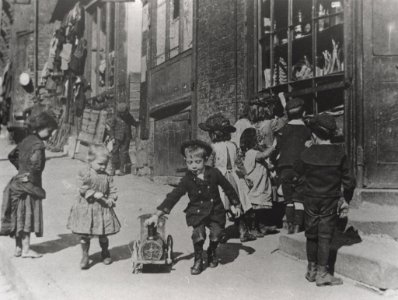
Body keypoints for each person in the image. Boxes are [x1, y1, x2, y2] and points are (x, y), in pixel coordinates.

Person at [145, 140, 241, 275]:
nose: (194, 166)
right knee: (199, 235)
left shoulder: (214, 173)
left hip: (215, 210)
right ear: (185, 161)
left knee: (216, 235)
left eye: (197, 162)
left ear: (205, 159)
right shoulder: (187, 180)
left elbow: (228, 188)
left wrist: (235, 204)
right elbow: (174, 196)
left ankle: (212, 252)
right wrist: (157, 214)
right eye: (190, 163)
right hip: (197, 212)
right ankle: (197, 259)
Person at [294, 114, 355, 286]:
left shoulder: (307, 152)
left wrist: (307, 149)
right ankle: (323, 273)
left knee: (311, 235)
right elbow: (350, 182)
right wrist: (346, 200)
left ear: (314, 134)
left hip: (310, 199)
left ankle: (311, 271)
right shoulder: (340, 153)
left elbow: (297, 170)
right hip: (329, 200)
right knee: (325, 236)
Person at [0, 111, 58, 258]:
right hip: (29, 186)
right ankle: (26, 250)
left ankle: (18, 248)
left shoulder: (26, 140)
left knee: (17, 214)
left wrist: (21, 170)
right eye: (49, 131)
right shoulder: (39, 145)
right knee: (27, 216)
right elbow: (36, 166)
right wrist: (29, 176)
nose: (50, 135)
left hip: (17, 182)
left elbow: (11, 155)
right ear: (40, 128)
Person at [199, 113, 255, 242]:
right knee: (237, 204)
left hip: (219, 179)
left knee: (220, 207)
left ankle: (221, 233)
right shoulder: (233, 146)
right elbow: (239, 163)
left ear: (214, 134)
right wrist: (245, 176)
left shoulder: (212, 148)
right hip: (234, 178)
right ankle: (243, 232)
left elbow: (209, 166)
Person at [67, 144, 121, 269]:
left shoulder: (107, 176)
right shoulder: (84, 173)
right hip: (86, 208)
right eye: (100, 164)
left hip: (102, 209)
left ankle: (105, 252)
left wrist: (112, 199)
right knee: (85, 234)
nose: (103, 167)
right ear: (90, 160)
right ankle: (85, 255)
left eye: (105, 164)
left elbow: (113, 190)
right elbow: (82, 188)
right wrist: (93, 193)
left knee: (103, 233)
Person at [277, 98, 311, 234]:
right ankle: (298, 226)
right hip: (301, 168)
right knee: (299, 200)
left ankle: (290, 226)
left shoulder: (283, 130)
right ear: (303, 114)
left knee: (288, 200)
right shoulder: (307, 131)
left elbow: (277, 149)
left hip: (285, 169)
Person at [240, 128, 279, 236]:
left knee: (261, 209)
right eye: (259, 140)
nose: (261, 142)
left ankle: (262, 226)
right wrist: (273, 146)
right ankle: (253, 228)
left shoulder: (254, 152)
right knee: (255, 210)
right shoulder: (252, 153)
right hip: (256, 185)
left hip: (261, 184)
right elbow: (263, 156)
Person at [109, 103, 139, 176]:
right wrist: (112, 137)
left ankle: (122, 170)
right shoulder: (115, 117)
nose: (123, 114)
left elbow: (134, 123)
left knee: (124, 153)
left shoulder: (129, 116)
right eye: (121, 113)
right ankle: (113, 169)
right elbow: (112, 128)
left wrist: (138, 123)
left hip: (126, 138)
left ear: (126, 111)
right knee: (114, 152)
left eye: (124, 113)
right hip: (116, 138)